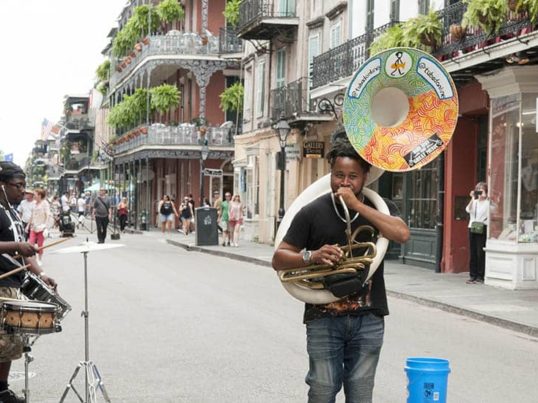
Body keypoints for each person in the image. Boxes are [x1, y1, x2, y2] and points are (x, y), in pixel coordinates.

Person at [272, 137, 410, 403]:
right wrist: (313, 256)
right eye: (338, 175)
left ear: (365, 177)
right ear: (330, 174)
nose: (345, 182)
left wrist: (357, 206)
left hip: (369, 315)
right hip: (323, 316)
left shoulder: (379, 208)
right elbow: (279, 258)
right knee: (322, 390)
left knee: (360, 393)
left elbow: (402, 234)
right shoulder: (311, 211)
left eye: (353, 176)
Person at [0, 161, 56, 403]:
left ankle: (1, 390)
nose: (22, 191)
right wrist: (15, 246)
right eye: (17, 186)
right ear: (2, 185)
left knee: (10, 343)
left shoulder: (12, 212)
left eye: (24, 186)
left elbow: (26, 252)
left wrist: (41, 274)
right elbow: (17, 247)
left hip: (14, 283)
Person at [465, 181, 490, 284]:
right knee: (473, 252)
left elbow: (494, 210)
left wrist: (487, 197)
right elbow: (467, 209)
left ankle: (481, 275)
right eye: (478, 190)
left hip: (482, 227)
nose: (480, 193)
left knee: (480, 252)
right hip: (472, 227)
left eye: (482, 190)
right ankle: (473, 275)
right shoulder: (474, 202)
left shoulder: (488, 203)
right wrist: (472, 198)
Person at [27, 188, 50, 266]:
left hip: (41, 227)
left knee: (40, 244)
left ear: (39, 195)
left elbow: (47, 215)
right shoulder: (34, 203)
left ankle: (39, 259)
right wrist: (27, 226)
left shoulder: (45, 203)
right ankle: (32, 259)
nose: (34, 196)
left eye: (35, 194)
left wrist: (45, 226)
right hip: (33, 227)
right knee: (31, 244)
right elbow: (32, 215)